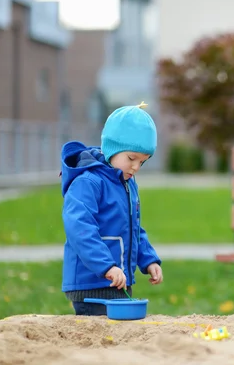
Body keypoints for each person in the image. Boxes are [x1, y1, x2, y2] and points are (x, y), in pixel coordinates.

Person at [60, 101, 163, 316]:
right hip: (92, 283)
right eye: (131, 158)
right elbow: (80, 229)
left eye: (142, 162)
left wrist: (148, 259)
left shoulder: (127, 183)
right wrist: (106, 266)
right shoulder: (88, 182)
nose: (136, 167)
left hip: (118, 280)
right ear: (112, 149)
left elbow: (133, 228)